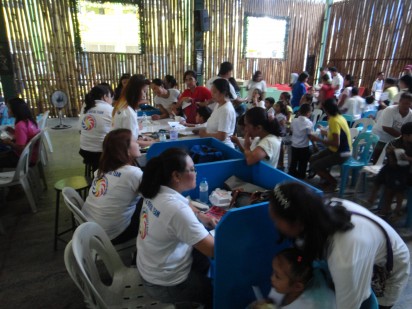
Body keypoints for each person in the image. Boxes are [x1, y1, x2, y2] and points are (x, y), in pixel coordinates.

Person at [268, 182, 410, 309]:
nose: (275, 226)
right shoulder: (315, 215)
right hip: (363, 253)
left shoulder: (345, 258)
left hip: (387, 268)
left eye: (276, 220)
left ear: (297, 222)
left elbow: (349, 305)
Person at [136, 148, 216, 308]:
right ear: (176, 176)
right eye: (192, 169)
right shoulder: (176, 211)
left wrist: (200, 216)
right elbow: (214, 250)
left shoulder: (155, 189)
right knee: (217, 292)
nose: (196, 172)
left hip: (149, 268)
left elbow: (184, 202)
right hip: (166, 284)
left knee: (201, 258)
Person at [82, 129, 143, 244]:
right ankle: (140, 255)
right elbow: (155, 197)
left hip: (89, 228)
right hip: (110, 235)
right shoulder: (133, 173)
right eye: (135, 141)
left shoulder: (103, 168)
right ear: (126, 150)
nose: (139, 143)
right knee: (150, 208)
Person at [250, 248, 336, 309]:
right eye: (273, 272)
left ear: (297, 287)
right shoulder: (283, 287)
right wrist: (269, 302)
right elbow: (275, 299)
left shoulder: (310, 306)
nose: (272, 278)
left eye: (277, 276)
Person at [367, 122, 412, 218]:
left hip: (408, 171)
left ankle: (392, 209)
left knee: (392, 186)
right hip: (395, 168)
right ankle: (372, 199)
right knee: (383, 174)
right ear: (405, 135)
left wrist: (408, 158)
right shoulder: (396, 142)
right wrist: (391, 154)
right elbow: (390, 158)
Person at [309, 99, 352, 192]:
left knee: (315, 165)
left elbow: (336, 143)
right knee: (313, 158)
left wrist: (318, 139)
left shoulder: (334, 120)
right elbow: (334, 134)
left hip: (342, 152)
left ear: (326, 109)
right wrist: (323, 132)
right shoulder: (339, 117)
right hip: (336, 150)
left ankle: (333, 182)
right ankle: (325, 179)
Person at [79, 85, 113, 172]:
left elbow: (80, 128)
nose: (111, 100)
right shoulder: (110, 109)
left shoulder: (86, 108)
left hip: (85, 151)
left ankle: (96, 174)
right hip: (102, 153)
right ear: (105, 97)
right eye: (110, 97)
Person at [371, 93, 412, 163]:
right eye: (404, 103)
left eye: (409, 104)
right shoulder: (390, 110)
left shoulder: (411, 114)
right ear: (400, 101)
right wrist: (402, 137)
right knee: (378, 156)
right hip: (381, 136)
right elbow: (386, 128)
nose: (406, 106)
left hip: (395, 139)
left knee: (395, 157)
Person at [0, 98, 40, 168]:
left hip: (24, 158)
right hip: (32, 155)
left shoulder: (20, 125)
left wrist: (9, 142)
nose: (7, 111)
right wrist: (14, 131)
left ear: (15, 110)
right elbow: (25, 136)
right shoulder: (29, 121)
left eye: (8, 108)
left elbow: (21, 148)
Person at [198, 78, 237, 148]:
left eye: (215, 92)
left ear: (224, 93)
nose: (212, 94)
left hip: (223, 147)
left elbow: (222, 136)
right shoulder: (219, 104)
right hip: (215, 145)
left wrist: (205, 135)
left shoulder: (226, 110)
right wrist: (196, 128)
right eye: (211, 92)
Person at [112, 74, 147, 141]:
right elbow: (130, 142)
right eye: (144, 91)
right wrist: (154, 142)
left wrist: (139, 136)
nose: (144, 95)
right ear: (136, 91)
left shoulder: (125, 105)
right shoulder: (128, 112)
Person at [289, 104, 314, 179]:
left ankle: (292, 174)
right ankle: (301, 176)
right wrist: (315, 145)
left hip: (294, 145)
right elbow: (310, 135)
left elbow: (291, 130)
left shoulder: (294, 120)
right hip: (304, 146)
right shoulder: (309, 123)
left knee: (294, 161)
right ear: (308, 113)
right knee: (303, 163)